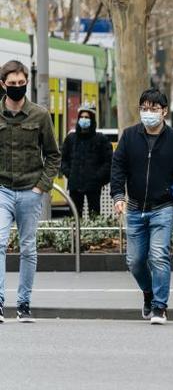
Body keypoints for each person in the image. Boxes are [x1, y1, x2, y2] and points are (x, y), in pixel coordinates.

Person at [110, 88, 173, 325]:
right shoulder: (129, 136)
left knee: (158, 256)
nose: (148, 113)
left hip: (163, 207)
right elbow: (118, 168)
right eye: (144, 109)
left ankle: (160, 306)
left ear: (164, 111)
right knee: (134, 262)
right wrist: (118, 195)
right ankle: (148, 293)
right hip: (135, 207)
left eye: (154, 109)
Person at [0, 60, 61, 323]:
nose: (17, 87)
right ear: (3, 84)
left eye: (21, 83)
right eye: (12, 84)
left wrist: (41, 187)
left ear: (27, 83)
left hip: (29, 190)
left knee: (28, 249)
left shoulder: (40, 115)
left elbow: (53, 155)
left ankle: (23, 304)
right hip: (2, 189)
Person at [60, 103, 112, 216]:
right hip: (75, 185)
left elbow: (108, 162)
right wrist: (70, 173)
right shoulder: (70, 139)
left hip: (93, 186)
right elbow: (63, 160)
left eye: (87, 117)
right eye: (81, 117)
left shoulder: (101, 139)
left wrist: (97, 177)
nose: (84, 119)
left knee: (94, 216)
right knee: (74, 216)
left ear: (92, 119)